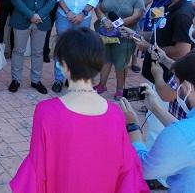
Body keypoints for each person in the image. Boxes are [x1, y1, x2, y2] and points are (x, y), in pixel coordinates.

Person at [10, 28, 149, 193]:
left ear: (64, 66)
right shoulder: (116, 114)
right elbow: (127, 172)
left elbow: (36, 170)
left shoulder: (46, 112)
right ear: (98, 65)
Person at [120, 52, 195, 192]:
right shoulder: (185, 130)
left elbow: (144, 168)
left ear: (187, 87)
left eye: (177, 84)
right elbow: (185, 132)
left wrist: (133, 127)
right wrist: (154, 107)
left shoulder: (180, 134)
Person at [53, 0, 99, 93]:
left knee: (80, 49)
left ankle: (74, 79)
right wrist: (68, 12)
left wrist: (83, 13)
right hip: (63, 16)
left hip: (83, 18)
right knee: (61, 48)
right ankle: (59, 79)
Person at [137, 0, 195, 85]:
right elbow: (163, 31)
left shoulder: (183, 14)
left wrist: (148, 47)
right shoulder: (169, 3)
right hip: (155, 73)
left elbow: (182, 51)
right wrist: (139, 35)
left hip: (166, 79)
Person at [9, 0, 56, 95]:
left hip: (41, 21)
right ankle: (16, 80)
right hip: (22, 19)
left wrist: (39, 15)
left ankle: (36, 80)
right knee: (18, 51)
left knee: (37, 52)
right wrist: (30, 14)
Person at [93, 0, 144, 99]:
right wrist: (103, 19)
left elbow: (136, 16)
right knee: (105, 59)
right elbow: (98, 6)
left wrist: (116, 24)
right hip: (104, 33)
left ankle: (120, 89)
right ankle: (101, 85)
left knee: (121, 64)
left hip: (124, 36)